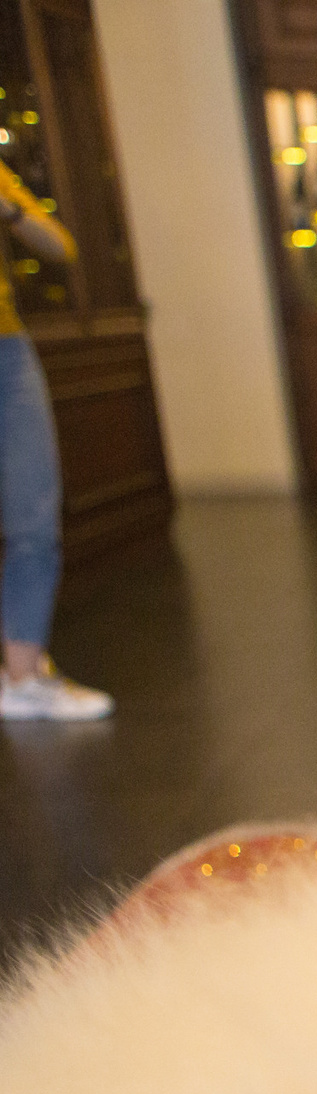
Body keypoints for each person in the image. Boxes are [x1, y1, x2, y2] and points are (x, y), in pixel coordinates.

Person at [0, 160, 103, 721]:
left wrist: (10, 209)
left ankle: (22, 677)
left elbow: (60, 246)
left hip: (6, 350)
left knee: (35, 515)